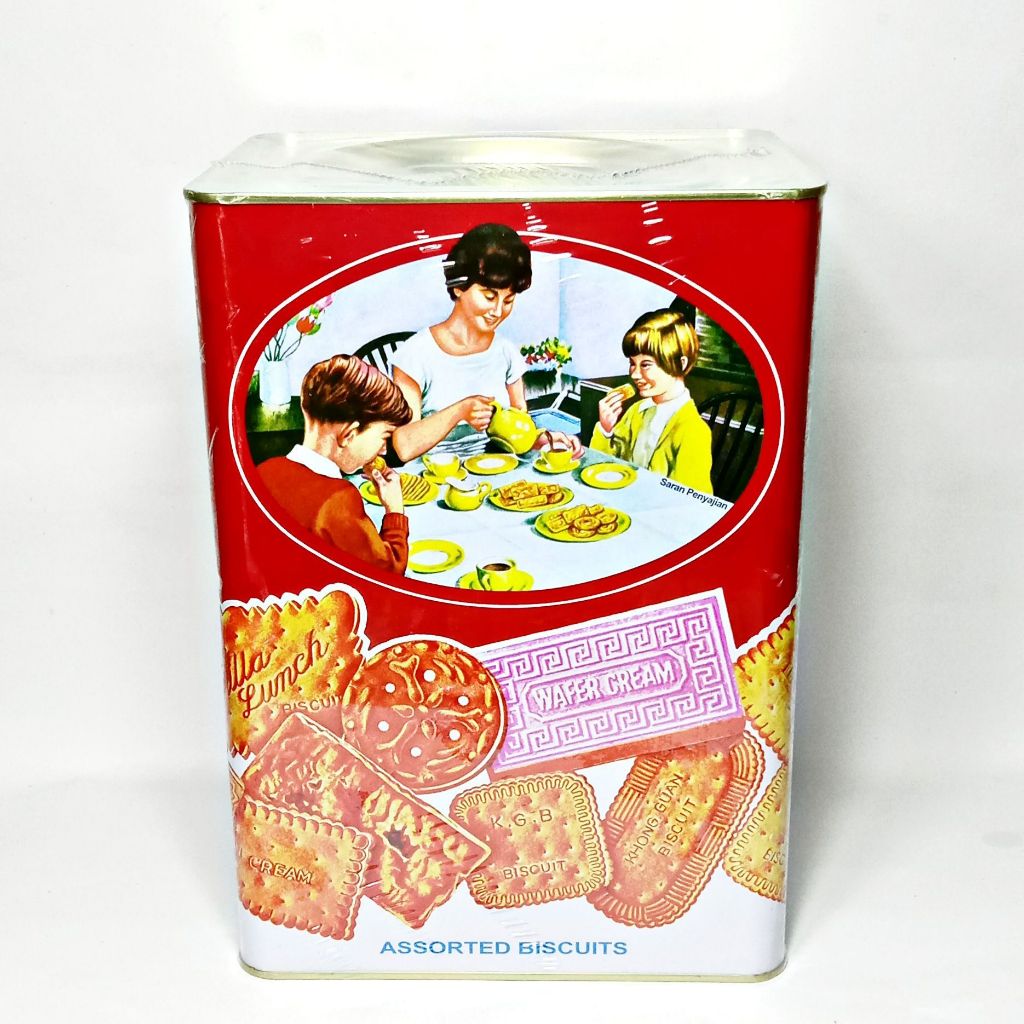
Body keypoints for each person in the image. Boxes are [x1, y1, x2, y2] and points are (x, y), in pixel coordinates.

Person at [390, 222, 582, 462]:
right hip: (432, 474)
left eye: (508, 300)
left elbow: (519, 434)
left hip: (498, 470)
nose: (498, 311)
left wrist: (544, 439)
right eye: (489, 296)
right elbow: (404, 446)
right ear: (459, 287)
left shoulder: (506, 352)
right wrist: (460, 410)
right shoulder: (415, 354)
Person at [257, 355, 413, 573]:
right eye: (384, 436)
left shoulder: (265, 470)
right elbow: (387, 572)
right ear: (349, 434)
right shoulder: (339, 500)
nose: (384, 450)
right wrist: (394, 509)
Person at [591, 309, 714, 493]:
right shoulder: (636, 411)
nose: (634, 374)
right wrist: (605, 430)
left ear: (680, 364)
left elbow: (690, 500)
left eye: (646, 365)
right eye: (632, 363)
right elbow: (601, 467)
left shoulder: (693, 430)